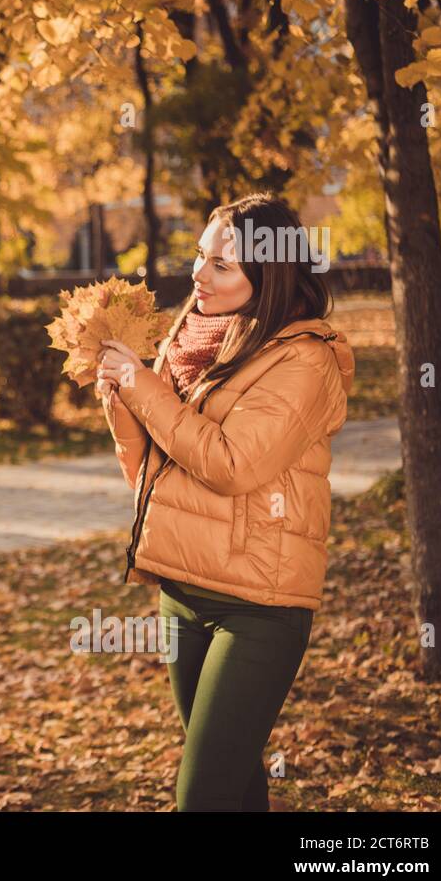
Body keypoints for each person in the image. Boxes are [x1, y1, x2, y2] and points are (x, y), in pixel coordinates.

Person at [94, 192, 355, 811]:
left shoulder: (304, 359)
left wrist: (144, 389)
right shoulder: (195, 342)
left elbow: (232, 465)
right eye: (199, 256)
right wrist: (121, 399)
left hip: (258, 605)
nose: (198, 274)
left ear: (270, 274)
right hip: (183, 589)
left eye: (222, 265)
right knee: (234, 784)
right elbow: (153, 477)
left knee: (202, 796)